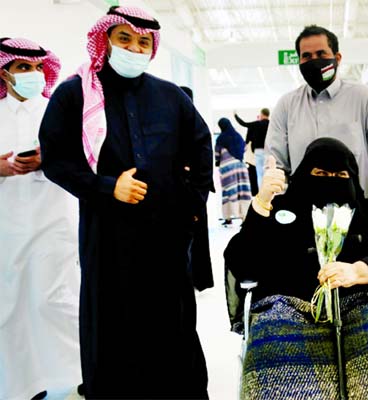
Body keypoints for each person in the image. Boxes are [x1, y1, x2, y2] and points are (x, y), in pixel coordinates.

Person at [38, 6, 213, 399]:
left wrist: (189, 205)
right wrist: (106, 187)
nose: (135, 47)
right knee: (112, 325)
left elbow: (201, 146)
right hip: (108, 235)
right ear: (106, 40)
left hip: (166, 237)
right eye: (125, 39)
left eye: (143, 41)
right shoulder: (75, 94)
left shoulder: (169, 95)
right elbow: (56, 159)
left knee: (174, 325)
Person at [224, 138, 368, 399]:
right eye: (320, 173)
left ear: (353, 177)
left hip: (362, 304)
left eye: (341, 175)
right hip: (287, 307)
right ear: (303, 174)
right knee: (279, 381)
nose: (331, 180)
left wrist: (361, 270)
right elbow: (240, 259)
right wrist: (261, 205)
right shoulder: (279, 210)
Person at [0, 37, 81, 400]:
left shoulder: (56, 108)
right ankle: (25, 385)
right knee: (10, 305)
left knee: (57, 299)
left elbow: (86, 154)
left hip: (53, 218)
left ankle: (83, 369)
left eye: (35, 67)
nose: (32, 75)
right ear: (5, 72)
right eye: (22, 68)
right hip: (7, 223)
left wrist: (45, 160)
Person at [265, 25, 368, 212]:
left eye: (321, 54)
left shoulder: (363, 98)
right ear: (299, 61)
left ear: (337, 58)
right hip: (304, 219)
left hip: (357, 216)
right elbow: (276, 166)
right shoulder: (286, 106)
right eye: (307, 56)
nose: (314, 61)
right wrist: (284, 213)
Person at [179, 85, 214, 292]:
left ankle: (194, 277)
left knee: (193, 238)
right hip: (187, 192)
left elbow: (203, 161)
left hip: (192, 192)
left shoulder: (192, 124)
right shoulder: (178, 122)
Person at [215, 117, 252, 226]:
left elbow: (217, 154)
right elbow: (244, 148)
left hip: (227, 168)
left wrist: (218, 161)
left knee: (228, 191)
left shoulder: (221, 138)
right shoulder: (238, 136)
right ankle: (244, 217)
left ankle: (228, 218)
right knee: (243, 191)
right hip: (240, 167)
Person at [234, 108, 269, 190]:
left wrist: (235, 115)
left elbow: (243, 123)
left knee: (260, 173)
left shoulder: (257, 124)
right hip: (269, 151)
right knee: (268, 173)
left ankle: (262, 192)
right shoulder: (271, 124)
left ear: (262, 114)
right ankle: (269, 191)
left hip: (258, 151)